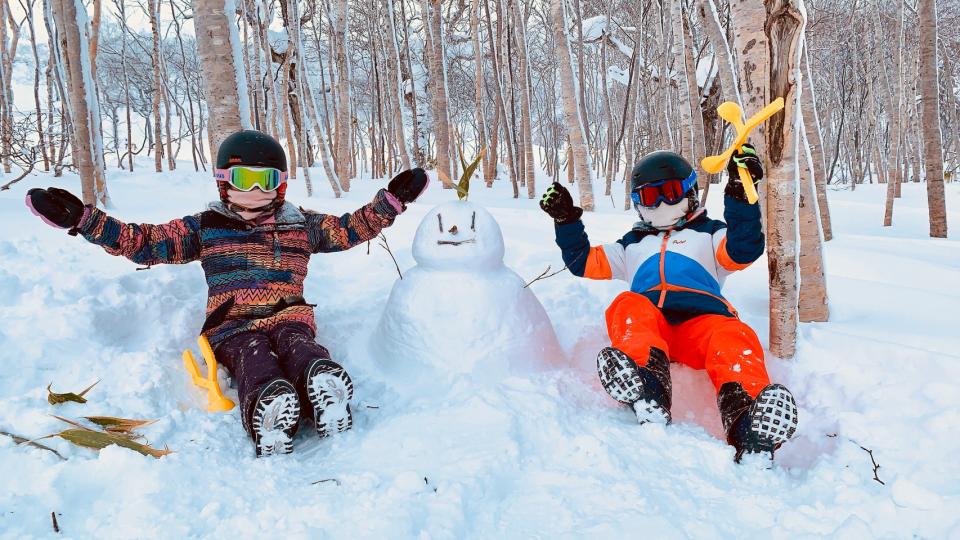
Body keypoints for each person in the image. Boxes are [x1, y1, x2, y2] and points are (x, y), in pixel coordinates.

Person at [26, 130, 428, 457]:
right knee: (253, 356)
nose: (254, 190)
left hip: (289, 315)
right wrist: (84, 220)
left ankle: (322, 388)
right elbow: (144, 241)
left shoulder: (300, 225)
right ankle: (268, 409)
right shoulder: (205, 227)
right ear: (223, 183)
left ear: (281, 186)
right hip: (232, 327)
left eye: (265, 180)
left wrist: (390, 203)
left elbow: (350, 228)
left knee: (298, 344)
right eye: (243, 180)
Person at [539, 145, 798, 461]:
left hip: (702, 324)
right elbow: (583, 262)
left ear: (689, 193)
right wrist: (566, 221)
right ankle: (646, 384)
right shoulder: (631, 246)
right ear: (638, 204)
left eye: (671, 192)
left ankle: (749, 419)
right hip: (653, 331)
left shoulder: (709, 234)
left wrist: (740, 192)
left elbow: (743, 249)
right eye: (650, 197)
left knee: (733, 336)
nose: (661, 203)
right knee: (627, 304)